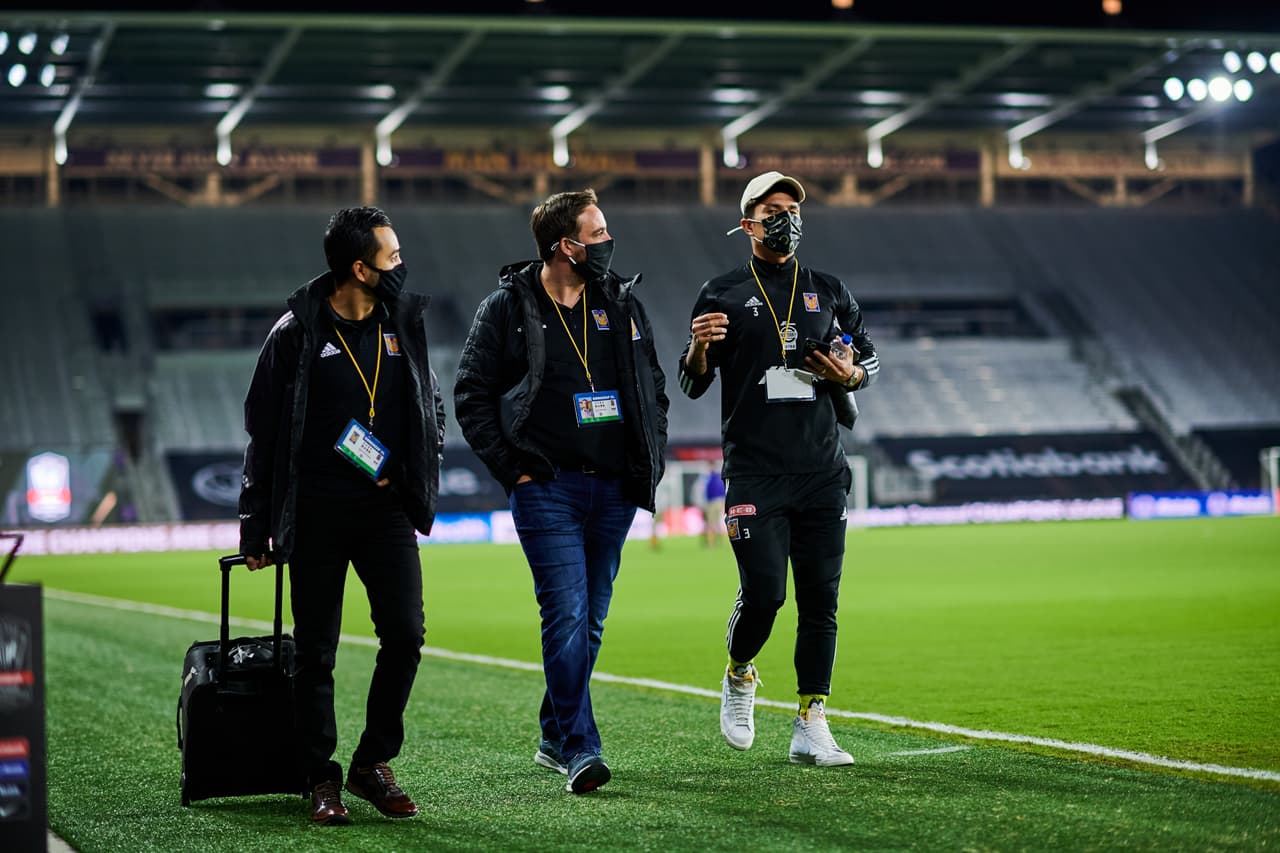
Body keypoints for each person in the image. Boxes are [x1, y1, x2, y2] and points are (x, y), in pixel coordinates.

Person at [454, 188, 669, 795]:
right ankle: (580, 747)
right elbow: (470, 395)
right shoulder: (505, 308)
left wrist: (647, 459)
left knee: (591, 618)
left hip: (615, 488)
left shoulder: (621, 304)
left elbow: (652, 386)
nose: (608, 243)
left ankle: (554, 730)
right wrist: (510, 467)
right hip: (545, 485)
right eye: (597, 234)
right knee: (567, 612)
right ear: (564, 246)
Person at [238, 206, 445, 826]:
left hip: (384, 512)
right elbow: (263, 432)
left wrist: (411, 473)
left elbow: (426, 401)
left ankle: (371, 761)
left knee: (406, 635)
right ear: (360, 268)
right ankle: (319, 776)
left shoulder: (402, 323)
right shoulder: (295, 333)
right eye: (393, 257)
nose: (403, 267)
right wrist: (255, 524)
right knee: (316, 653)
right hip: (317, 513)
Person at [677, 171, 879, 767]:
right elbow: (691, 383)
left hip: (821, 468)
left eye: (792, 207)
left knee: (822, 601)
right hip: (755, 471)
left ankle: (811, 718)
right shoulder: (721, 291)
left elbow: (865, 355)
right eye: (771, 208)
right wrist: (697, 348)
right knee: (765, 595)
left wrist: (852, 375)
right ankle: (739, 674)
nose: (785, 215)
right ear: (747, 223)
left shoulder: (829, 289)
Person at [701, 466, 726, 546]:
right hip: (720, 501)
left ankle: (711, 542)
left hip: (712, 502)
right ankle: (722, 541)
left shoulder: (708, 479)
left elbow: (707, 492)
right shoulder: (719, 478)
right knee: (718, 522)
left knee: (710, 523)